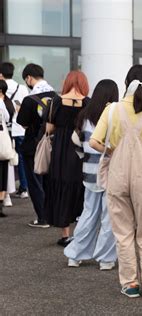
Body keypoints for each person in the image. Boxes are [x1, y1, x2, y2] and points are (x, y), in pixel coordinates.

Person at [90, 65, 142, 299]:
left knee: (123, 233)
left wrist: (110, 149)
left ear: (126, 83)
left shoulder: (111, 110)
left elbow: (94, 142)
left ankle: (130, 283)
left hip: (117, 176)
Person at [64, 79, 119, 269]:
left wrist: (87, 159)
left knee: (88, 214)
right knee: (109, 216)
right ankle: (106, 259)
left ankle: (75, 255)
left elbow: (75, 143)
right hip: (111, 172)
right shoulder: (114, 115)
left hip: (89, 173)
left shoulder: (83, 117)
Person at [44, 70, 89, 247]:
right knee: (79, 188)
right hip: (79, 150)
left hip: (61, 152)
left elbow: (49, 129)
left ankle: (65, 235)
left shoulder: (56, 102)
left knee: (61, 186)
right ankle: (81, 232)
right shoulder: (87, 103)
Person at [16, 63, 57, 228]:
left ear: (28, 78)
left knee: (34, 181)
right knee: (49, 181)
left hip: (32, 146)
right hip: (52, 144)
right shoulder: (56, 96)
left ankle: (42, 218)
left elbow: (23, 123)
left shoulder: (29, 100)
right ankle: (52, 214)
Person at [0, 62, 30, 207]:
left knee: (6, 161)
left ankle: (6, 192)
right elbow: (26, 106)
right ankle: (24, 188)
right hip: (20, 128)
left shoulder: (1, 88)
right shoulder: (22, 88)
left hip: (5, 131)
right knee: (20, 159)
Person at [0, 80, 16, 217]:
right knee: (3, 172)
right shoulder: (5, 103)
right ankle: (2, 203)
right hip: (3, 140)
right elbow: (6, 117)